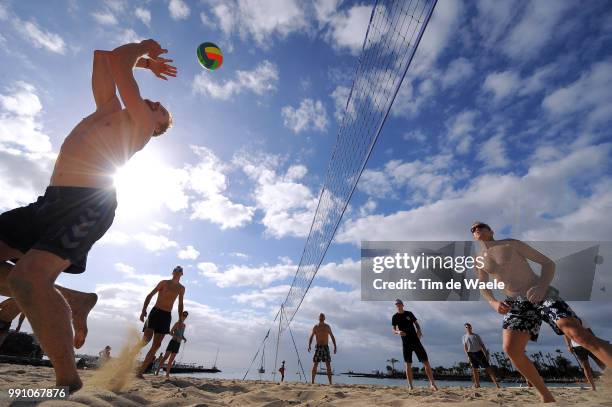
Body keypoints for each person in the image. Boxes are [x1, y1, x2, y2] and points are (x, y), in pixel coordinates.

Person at [0, 39, 176, 392]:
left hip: (87, 204)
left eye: (161, 110)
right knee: (25, 278)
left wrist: (143, 50)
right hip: (48, 202)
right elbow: (103, 58)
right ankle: (75, 300)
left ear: (155, 128)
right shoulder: (108, 110)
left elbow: (117, 60)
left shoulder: (139, 124)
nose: (155, 103)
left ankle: (69, 382)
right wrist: (140, 63)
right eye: (156, 103)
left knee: (27, 281)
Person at [471, 221, 612, 403]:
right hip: (516, 302)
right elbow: (482, 286)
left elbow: (547, 263)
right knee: (511, 349)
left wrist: (541, 286)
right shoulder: (478, 260)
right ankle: (546, 396)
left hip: (539, 290)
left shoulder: (510, 243)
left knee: (576, 333)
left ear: (491, 230)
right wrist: (493, 303)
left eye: (481, 226)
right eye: (473, 229)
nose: (477, 229)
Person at [138, 266, 185, 377]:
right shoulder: (164, 283)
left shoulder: (181, 288)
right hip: (156, 312)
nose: (177, 272)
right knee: (145, 340)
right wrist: (143, 310)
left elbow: (180, 304)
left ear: (182, 274)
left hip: (166, 316)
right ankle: (128, 356)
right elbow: (150, 295)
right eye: (176, 270)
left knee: (157, 345)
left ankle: (140, 372)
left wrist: (179, 319)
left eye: (180, 271)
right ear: (172, 272)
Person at [392, 299, 438, 390]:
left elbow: (416, 324)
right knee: (408, 364)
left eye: (399, 304)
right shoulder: (395, 317)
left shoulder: (409, 313)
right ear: (395, 306)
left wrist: (419, 331)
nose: (398, 305)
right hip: (406, 343)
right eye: (396, 304)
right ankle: (410, 386)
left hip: (416, 341)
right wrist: (398, 332)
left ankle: (432, 383)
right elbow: (393, 330)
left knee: (426, 362)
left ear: (402, 305)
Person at [564, 318, 606, 391]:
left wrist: (596, 341)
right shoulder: (565, 322)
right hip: (577, 347)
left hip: (588, 344)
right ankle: (593, 387)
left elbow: (590, 331)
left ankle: (609, 379)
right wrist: (568, 346)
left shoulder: (580, 320)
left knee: (600, 362)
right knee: (586, 367)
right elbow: (566, 335)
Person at [462, 322, 500, 388]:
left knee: (488, 369)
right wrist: (468, 356)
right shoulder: (464, 337)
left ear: (471, 327)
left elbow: (482, 345)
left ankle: (497, 384)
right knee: (474, 370)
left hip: (479, 353)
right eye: (466, 327)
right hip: (471, 354)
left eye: (469, 327)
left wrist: (486, 352)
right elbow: (465, 347)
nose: (468, 328)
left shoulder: (476, 336)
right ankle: (477, 384)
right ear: (465, 328)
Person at [155, 310, 188, 378]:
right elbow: (170, 332)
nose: (184, 317)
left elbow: (181, 335)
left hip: (178, 344)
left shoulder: (184, 325)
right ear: (181, 315)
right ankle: (157, 371)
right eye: (183, 315)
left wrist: (184, 338)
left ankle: (167, 374)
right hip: (173, 342)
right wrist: (175, 336)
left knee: (171, 360)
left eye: (185, 316)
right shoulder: (177, 323)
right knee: (165, 357)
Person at [308, 313, 337, 384]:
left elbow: (332, 336)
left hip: (325, 347)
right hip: (318, 347)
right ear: (318, 318)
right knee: (315, 364)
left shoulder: (327, 326)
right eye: (320, 316)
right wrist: (309, 345)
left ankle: (330, 383)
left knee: (328, 364)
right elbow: (311, 336)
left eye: (322, 316)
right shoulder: (316, 327)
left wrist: (335, 346)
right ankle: (312, 382)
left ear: (324, 318)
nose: (321, 317)